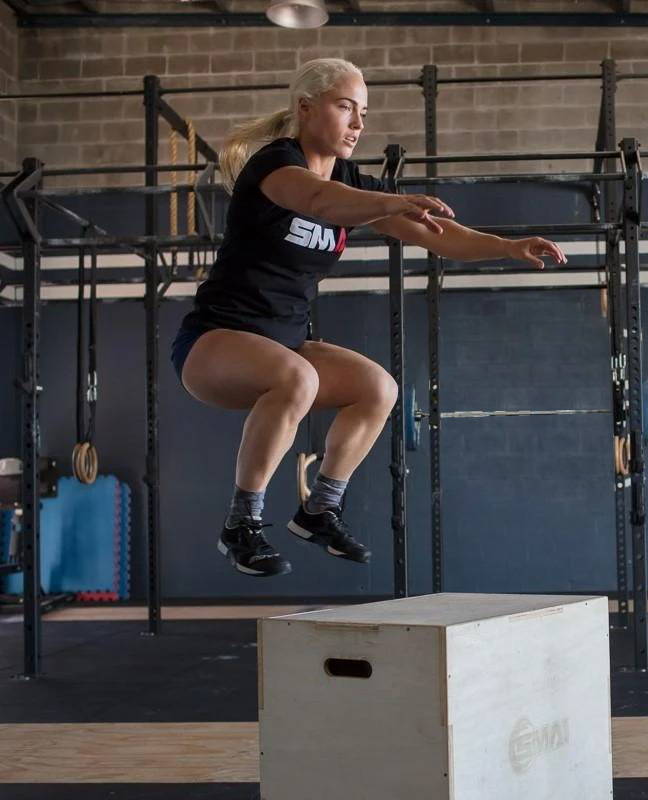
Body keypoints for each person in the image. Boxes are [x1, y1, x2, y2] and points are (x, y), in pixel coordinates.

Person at [170, 57, 567, 578]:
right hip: (214, 343)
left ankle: (320, 509)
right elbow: (321, 200)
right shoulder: (276, 166)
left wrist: (507, 246)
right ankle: (241, 524)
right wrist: (391, 201)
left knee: (378, 388)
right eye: (345, 108)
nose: (358, 124)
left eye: (363, 112)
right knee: (297, 378)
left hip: (285, 345)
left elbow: (437, 237)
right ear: (306, 109)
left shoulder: (352, 179)